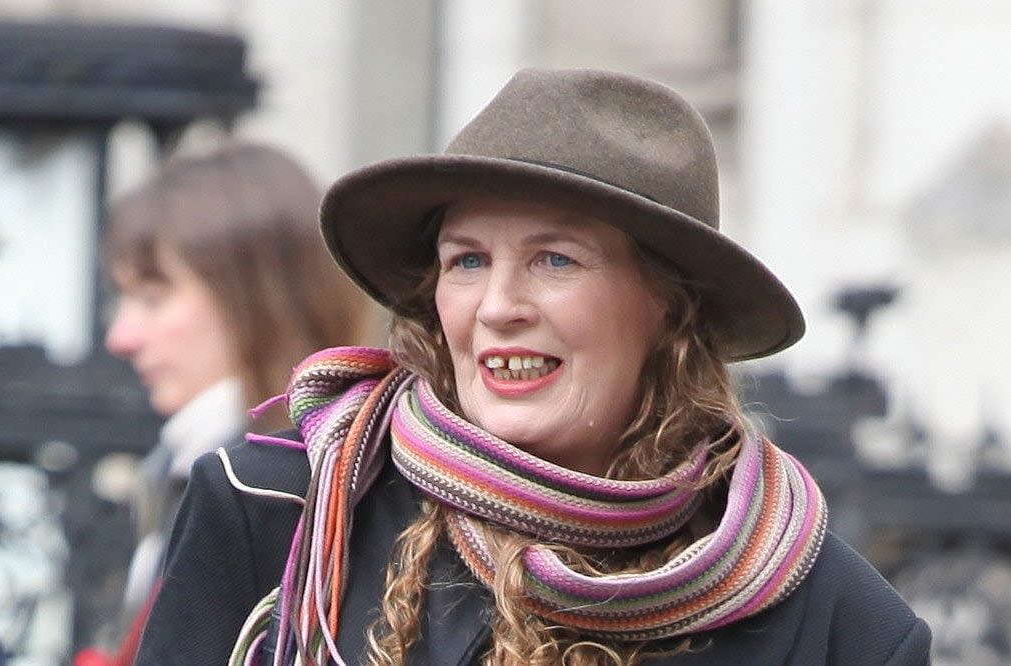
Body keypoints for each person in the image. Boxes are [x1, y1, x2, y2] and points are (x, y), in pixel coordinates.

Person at [134, 69, 932, 665]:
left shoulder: (834, 622)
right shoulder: (276, 513)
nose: (497, 306)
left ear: (669, 304)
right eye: (468, 260)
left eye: (555, 259)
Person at [94, 143, 374, 665]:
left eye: (153, 298)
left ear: (256, 297)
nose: (122, 337)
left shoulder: (297, 488)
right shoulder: (179, 470)